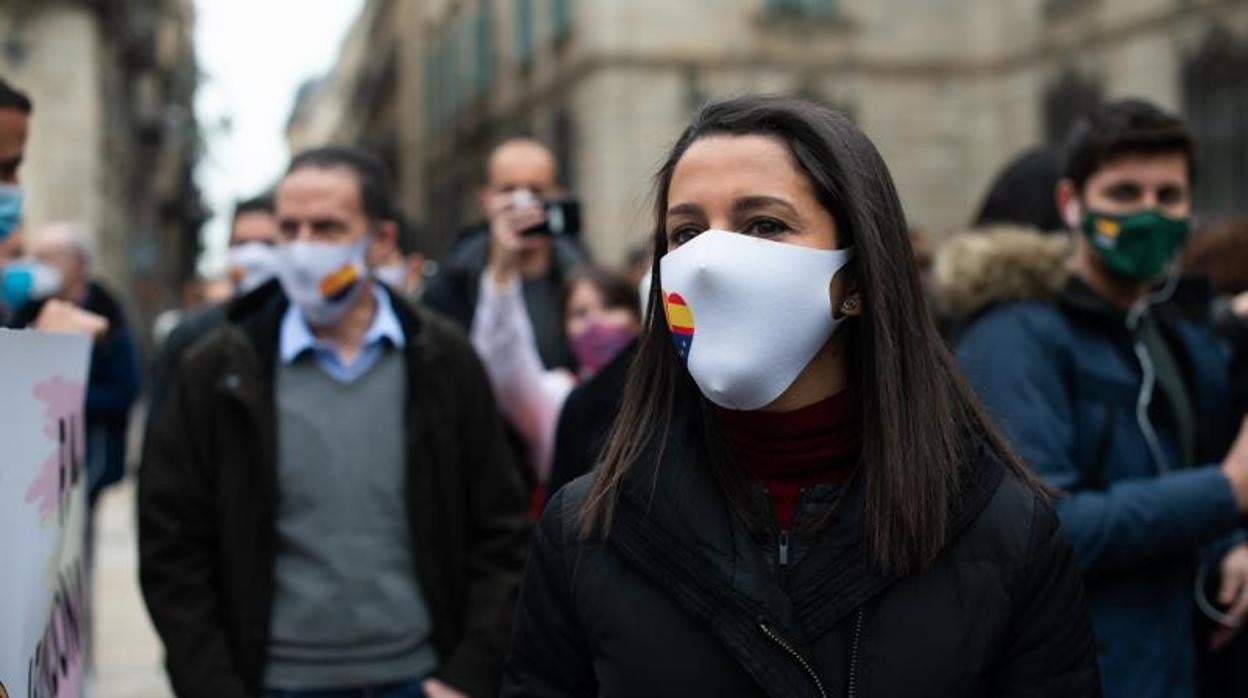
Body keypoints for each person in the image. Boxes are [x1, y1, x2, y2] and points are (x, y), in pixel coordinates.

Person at [503, 96, 1100, 697]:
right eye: (684, 233)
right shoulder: (585, 529)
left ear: (859, 276)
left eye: (764, 225)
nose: (708, 263)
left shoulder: (1003, 530)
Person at [140, 146, 530, 698]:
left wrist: (468, 673)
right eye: (289, 228)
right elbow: (171, 549)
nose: (302, 249)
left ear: (380, 242)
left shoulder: (444, 360)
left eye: (327, 228)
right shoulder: (217, 370)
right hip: (273, 683)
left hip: (417, 678)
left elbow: (501, 529)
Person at [954, 99, 1248, 698]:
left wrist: (1232, 545)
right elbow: (1042, 529)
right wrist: (1227, 492)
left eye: (1168, 197)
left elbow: (1187, 464)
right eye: (1124, 193)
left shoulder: (1164, 333)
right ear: (1072, 204)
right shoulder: (1014, 336)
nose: (1148, 214)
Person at [423, 137, 586, 370]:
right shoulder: (451, 285)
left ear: (556, 197)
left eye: (536, 190)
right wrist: (501, 264)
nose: (523, 203)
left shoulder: (582, 274)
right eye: (508, 190)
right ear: (486, 200)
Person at [470, 262, 640, 483]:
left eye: (610, 307)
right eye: (580, 313)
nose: (596, 323)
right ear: (564, 329)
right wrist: (501, 269)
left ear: (637, 317)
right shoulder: (559, 395)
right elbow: (505, 359)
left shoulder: (664, 387)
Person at [12, 222, 141, 502]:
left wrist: (65, 398)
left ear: (77, 264)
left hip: (89, 450)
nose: (38, 266)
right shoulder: (27, 309)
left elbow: (126, 388)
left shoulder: (108, 312)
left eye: (48, 258)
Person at [145, 194, 281, 429]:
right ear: (229, 249)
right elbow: (161, 435)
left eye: (268, 244)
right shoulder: (190, 336)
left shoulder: (308, 334)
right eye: (243, 243)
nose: (254, 255)